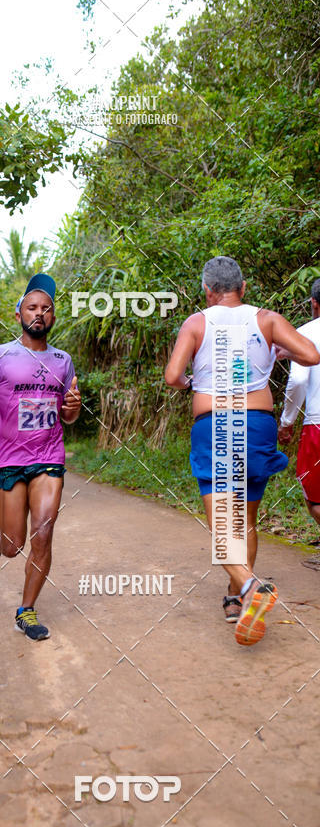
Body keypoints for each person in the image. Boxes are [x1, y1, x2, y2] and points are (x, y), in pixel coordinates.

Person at [165, 256, 320, 645]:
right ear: (243, 288)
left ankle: (250, 587)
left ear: (207, 290)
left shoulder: (196, 323)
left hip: (215, 424)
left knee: (223, 523)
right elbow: (311, 355)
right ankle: (236, 599)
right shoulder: (267, 319)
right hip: (256, 426)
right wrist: (279, 352)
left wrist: (191, 383)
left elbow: (172, 376)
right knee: (245, 520)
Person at [0, 273, 81, 641]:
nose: (39, 313)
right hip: (11, 461)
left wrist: (74, 407)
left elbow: (68, 416)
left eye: (46, 308)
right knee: (13, 546)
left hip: (49, 457)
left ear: (53, 318)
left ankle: (26, 611)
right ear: (19, 315)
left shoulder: (63, 361)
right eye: (32, 307)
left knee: (43, 534)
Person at [278, 278, 320, 569]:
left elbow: (299, 380)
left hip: (317, 423)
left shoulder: (304, 333)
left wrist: (287, 422)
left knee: (314, 495)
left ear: (314, 303)